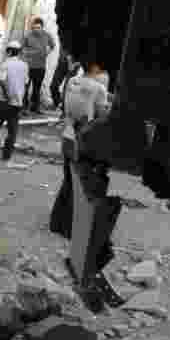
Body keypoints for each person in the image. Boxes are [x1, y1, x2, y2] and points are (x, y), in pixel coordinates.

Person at [49, 52, 111, 238]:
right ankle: (71, 228)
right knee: (82, 185)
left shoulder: (72, 81)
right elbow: (101, 117)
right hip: (85, 139)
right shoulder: (98, 88)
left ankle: (57, 222)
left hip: (68, 134)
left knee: (68, 179)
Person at [0, 41, 29, 162]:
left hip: (5, 101)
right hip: (17, 102)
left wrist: (7, 96)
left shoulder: (5, 64)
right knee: (13, 130)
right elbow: (26, 83)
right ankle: (6, 155)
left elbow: (2, 81)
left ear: (9, 51)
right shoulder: (24, 65)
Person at [22, 17, 56, 113]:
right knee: (26, 87)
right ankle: (24, 108)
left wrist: (47, 52)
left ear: (42, 27)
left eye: (38, 27)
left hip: (41, 66)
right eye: (34, 27)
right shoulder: (28, 35)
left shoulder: (47, 35)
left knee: (37, 87)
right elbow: (22, 48)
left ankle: (35, 107)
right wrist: (27, 54)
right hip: (28, 66)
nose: (36, 29)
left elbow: (53, 45)